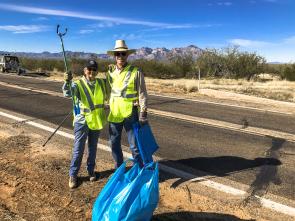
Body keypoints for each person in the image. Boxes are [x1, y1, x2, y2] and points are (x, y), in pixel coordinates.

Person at [63, 59, 107, 189]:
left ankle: (91, 171)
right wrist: (67, 81)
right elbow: (67, 93)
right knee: (78, 150)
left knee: (93, 148)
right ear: (85, 71)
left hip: (96, 120)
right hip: (82, 121)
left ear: (97, 72)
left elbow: (112, 88)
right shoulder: (78, 84)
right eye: (89, 69)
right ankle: (73, 175)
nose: (91, 72)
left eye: (94, 70)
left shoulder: (101, 83)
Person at [106, 39, 148, 168]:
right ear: (114, 56)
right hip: (114, 113)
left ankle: (139, 169)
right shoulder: (110, 72)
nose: (120, 56)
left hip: (131, 113)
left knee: (135, 146)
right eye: (118, 54)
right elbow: (108, 91)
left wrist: (143, 112)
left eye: (123, 54)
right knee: (113, 143)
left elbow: (142, 93)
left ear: (127, 55)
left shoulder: (136, 72)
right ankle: (119, 168)